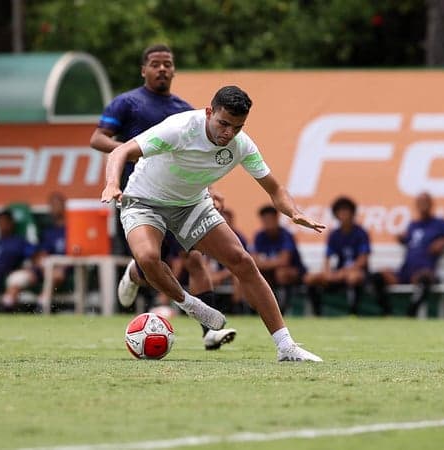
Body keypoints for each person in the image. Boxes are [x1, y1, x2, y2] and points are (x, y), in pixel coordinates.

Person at [100, 85, 325, 361]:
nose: (228, 133)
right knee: (148, 257)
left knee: (242, 260)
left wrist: (293, 212)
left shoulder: (241, 145)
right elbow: (118, 152)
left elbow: (274, 188)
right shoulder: (179, 129)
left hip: (191, 204)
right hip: (144, 200)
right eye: (223, 123)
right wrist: (112, 184)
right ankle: (190, 304)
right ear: (209, 112)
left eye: (237, 127)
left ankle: (286, 347)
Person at [89, 44, 234, 351]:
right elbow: (98, 138)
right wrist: (138, 150)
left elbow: (195, 159)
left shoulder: (184, 110)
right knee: (151, 265)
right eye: (155, 64)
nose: (162, 69)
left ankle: (209, 331)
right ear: (144, 69)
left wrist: (210, 190)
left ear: (174, 69)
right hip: (137, 198)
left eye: (168, 64)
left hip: (178, 198)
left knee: (193, 256)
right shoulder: (126, 103)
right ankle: (134, 272)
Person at [372, 192, 444, 317]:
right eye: (420, 202)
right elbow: (411, 241)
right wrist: (402, 238)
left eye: (425, 202)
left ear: (431, 204)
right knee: (377, 276)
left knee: (425, 279)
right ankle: (387, 312)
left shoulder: (440, 223)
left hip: (423, 270)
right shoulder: (412, 225)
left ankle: (411, 312)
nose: (423, 205)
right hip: (405, 270)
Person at [304, 196, 371, 316]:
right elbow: (327, 257)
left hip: (356, 272)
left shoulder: (361, 233)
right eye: (341, 212)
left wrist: (344, 272)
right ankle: (316, 313)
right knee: (310, 279)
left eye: (347, 211)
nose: (344, 215)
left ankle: (353, 312)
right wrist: (327, 273)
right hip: (339, 272)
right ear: (336, 214)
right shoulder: (334, 234)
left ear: (352, 213)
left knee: (353, 278)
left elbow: (363, 260)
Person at [1, 192, 67, 311]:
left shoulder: (71, 230)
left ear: (64, 206)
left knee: (56, 274)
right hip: (42, 268)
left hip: (62, 268)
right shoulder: (48, 232)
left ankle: (42, 305)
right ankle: (7, 307)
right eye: (51, 205)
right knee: (16, 279)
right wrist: (38, 262)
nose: (54, 208)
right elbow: (42, 253)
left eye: (57, 204)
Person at [252, 205, 307, 314]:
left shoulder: (286, 235)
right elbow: (254, 261)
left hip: (294, 271)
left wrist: (264, 264)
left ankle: (283, 309)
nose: (268, 222)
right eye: (265, 219)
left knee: (281, 273)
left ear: (276, 219)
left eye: (270, 219)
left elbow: (284, 261)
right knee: (254, 274)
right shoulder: (259, 236)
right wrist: (268, 264)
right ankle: (254, 310)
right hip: (270, 271)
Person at [204, 208, 249, 315]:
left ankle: (237, 308)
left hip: (232, 271)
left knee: (238, 276)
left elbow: (242, 262)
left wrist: (222, 275)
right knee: (205, 276)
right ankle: (207, 309)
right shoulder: (208, 237)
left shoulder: (239, 238)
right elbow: (205, 261)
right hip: (217, 271)